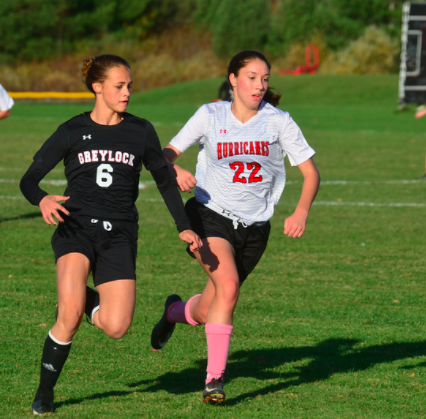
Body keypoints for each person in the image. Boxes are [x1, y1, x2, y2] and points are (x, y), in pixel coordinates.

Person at [20, 54, 202, 415]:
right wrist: (41, 200)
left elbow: (164, 180)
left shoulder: (141, 130)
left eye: (129, 86)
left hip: (119, 234)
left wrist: (184, 226)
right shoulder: (72, 129)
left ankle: (81, 300)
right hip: (75, 228)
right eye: (119, 86)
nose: (127, 93)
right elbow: (29, 179)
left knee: (117, 327)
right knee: (67, 317)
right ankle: (44, 392)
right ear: (97, 87)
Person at [149, 50, 320, 405]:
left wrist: (301, 211)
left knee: (211, 305)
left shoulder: (278, 121)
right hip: (208, 214)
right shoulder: (210, 115)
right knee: (228, 288)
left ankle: (173, 312)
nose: (259, 85)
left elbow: (310, 172)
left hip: (255, 228)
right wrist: (175, 169)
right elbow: (165, 154)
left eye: (265, 79)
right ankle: (214, 381)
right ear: (233, 79)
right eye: (252, 77)